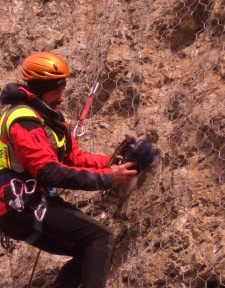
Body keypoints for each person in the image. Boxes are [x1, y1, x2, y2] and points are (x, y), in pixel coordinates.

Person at [0, 52, 137, 288]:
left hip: (21, 208)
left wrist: (109, 162)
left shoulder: (49, 118)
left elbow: (74, 157)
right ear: (40, 90)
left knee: (87, 249)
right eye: (56, 91)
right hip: (20, 205)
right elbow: (48, 172)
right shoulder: (24, 120)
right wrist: (107, 178)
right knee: (100, 237)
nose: (62, 98)